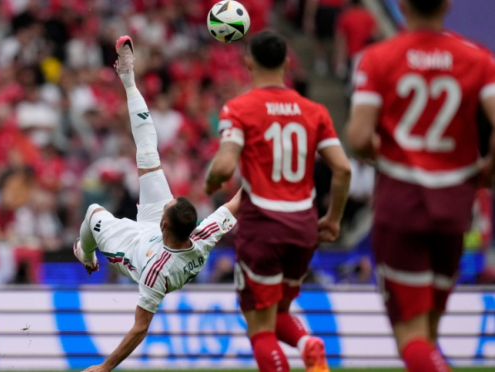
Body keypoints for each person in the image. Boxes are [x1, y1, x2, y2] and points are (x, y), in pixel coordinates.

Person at [74, 36, 240, 372]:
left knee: (93, 214)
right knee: (149, 153)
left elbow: (140, 328)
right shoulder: (203, 234)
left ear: (166, 220)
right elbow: (239, 202)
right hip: (160, 239)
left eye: (169, 206)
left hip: (135, 251)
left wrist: (104, 368)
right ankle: (128, 79)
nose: (169, 201)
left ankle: (86, 254)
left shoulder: (154, 274)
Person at [345, 0, 495, 371]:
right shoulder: (478, 59)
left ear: (401, 6)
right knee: (428, 330)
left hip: (402, 203)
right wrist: (487, 169)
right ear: (447, 5)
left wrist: (393, 155)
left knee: (410, 334)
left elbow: (360, 136)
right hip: (455, 205)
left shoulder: (379, 58)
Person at [204, 30, 352, 372]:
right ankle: (307, 343)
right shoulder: (314, 110)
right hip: (303, 227)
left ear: (248, 62)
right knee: (279, 311)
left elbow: (225, 164)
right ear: (287, 63)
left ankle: (297, 351)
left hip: (264, 227)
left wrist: (212, 181)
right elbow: (343, 169)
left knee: (259, 326)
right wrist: (333, 219)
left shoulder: (238, 108)